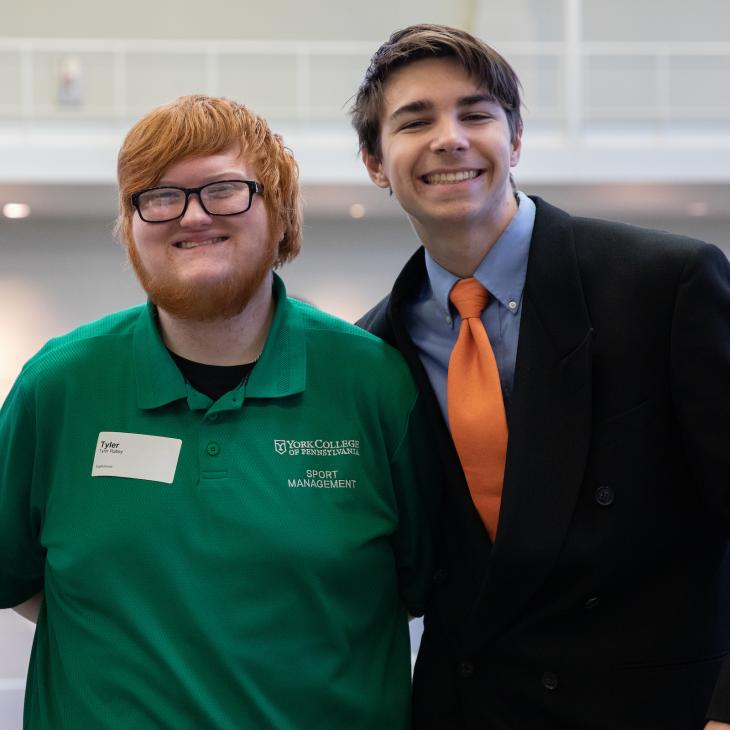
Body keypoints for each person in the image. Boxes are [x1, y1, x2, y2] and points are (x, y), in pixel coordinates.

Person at [0, 94, 440, 730]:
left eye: (225, 190)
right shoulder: (59, 387)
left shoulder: (375, 385)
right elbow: (18, 578)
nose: (192, 216)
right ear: (132, 224)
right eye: (159, 195)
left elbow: (418, 588)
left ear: (281, 214)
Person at [351, 23, 730, 730]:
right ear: (376, 162)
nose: (450, 138)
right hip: (473, 709)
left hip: (661, 709)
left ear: (515, 139)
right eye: (415, 120)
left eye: (475, 114)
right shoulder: (374, 350)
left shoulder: (665, 284)